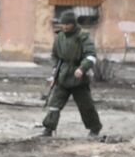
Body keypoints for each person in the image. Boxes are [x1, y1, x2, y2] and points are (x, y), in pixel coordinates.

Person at [42, 10, 102, 138]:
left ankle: (94, 128)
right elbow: (55, 56)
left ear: (73, 24)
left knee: (86, 105)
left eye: (67, 24)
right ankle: (48, 129)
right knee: (54, 104)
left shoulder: (83, 36)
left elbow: (91, 55)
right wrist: (55, 72)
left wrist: (82, 68)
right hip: (63, 76)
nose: (64, 27)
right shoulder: (60, 37)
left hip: (78, 78)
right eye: (63, 24)